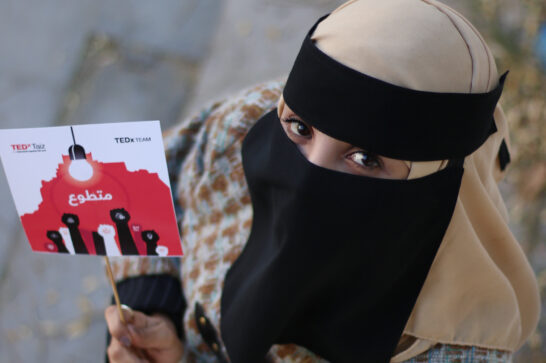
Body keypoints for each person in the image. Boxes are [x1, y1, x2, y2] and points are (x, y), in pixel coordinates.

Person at [104, 0, 541, 362]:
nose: (306, 175)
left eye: (365, 157)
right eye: (301, 130)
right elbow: (156, 179)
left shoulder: (453, 347)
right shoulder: (247, 124)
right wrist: (151, 308)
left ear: (437, 176)